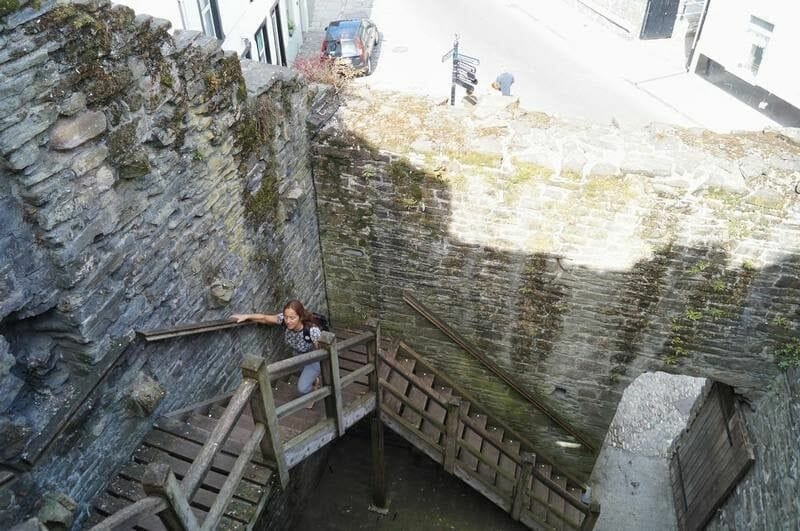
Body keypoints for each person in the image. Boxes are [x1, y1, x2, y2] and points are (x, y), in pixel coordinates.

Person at [230, 300, 322, 397]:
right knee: (304, 375)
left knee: (302, 389)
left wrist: (317, 366)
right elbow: (265, 318)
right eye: (286, 317)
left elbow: (321, 351)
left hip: (312, 359)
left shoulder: (312, 331)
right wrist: (246, 316)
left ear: (300, 317)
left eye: (292, 318)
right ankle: (314, 380)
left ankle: (314, 392)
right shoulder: (283, 320)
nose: (288, 321)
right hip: (297, 356)